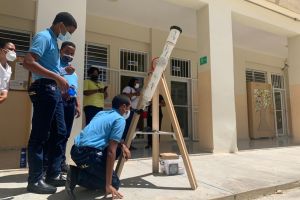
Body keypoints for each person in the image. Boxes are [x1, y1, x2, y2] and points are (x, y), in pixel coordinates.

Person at [23, 12, 77, 194]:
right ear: (60, 24)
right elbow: (28, 62)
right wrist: (56, 76)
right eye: (68, 31)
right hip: (44, 88)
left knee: (60, 132)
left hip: (53, 91)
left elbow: (50, 67)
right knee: (40, 135)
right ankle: (35, 180)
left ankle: (52, 174)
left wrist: (61, 74)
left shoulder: (54, 41)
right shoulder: (44, 37)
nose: (67, 36)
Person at [66, 94, 131, 199]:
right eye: (129, 108)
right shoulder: (120, 119)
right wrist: (108, 184)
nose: (128, 111)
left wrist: (122, 145)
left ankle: (85, 170)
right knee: (115, 184)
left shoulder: (101, 113)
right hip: (89, 155)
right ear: (123, 107)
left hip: (75, 151)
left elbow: (101, 133)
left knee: (116, 150)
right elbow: (111, 151)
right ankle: (77, 175)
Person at [58, 41, 81, 173]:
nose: (69, 55)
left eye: (72, 53)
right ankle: (51, 164)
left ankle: (61, 162)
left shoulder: (73, 70)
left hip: (70, 103)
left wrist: (77, 104)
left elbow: (73, 89)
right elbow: (51, 78)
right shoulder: (56, 65)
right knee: (58, 133)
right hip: (59, 101)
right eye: (67, 51)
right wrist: (63, 71)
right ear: (61, 51)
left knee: (66, 134)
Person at [122, 78, 141, 150]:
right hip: (130, 111)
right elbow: (124, 96)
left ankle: (129, 144)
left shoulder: (136, 90)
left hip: (135, 111)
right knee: (127, 128)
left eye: (138, 83)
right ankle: (124, 144)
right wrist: (134, 94)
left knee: (132, 129)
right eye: (136, 82)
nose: (137, 84)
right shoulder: (128, 88)